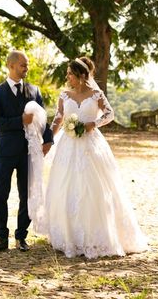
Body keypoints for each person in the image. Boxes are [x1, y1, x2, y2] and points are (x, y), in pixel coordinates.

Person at [44, 56, 148, 258]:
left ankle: (95, 236)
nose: (68, 78)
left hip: (91, 145)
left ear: (82, 76)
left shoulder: (96, 94)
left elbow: (110, 114)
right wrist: (48, 140)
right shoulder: (64, 95)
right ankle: (69, 236)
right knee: (66, 186)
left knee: (94, 188)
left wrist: (93, 124)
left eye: (71, 75)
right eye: (67, 75)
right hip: (68, 146)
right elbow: (58, 118)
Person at [0, 50, 53, 252]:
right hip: (5, 151)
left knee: (27, 194)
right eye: (23, 65)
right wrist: (20, 121)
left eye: (27, 65)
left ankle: (21, 237)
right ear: (11, 66)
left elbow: (43, 119)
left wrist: (48, 139)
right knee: (1, 193)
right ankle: (1, 237)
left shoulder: (35, 91)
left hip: (28, 151)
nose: (26, 68)